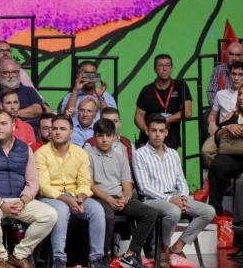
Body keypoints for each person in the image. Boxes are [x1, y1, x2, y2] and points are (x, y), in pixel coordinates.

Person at [0, 110, 57, 268]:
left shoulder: (24, 148)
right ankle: (0, 257)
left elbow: (33, 181)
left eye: (3, 124)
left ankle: (18, 255)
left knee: (49, 215)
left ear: (14, 126)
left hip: (18, 200)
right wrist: (1, 203)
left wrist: (24, 200)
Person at [133, 114, 214, 266]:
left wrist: (183, 197)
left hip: (176, 197)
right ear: (147, 132)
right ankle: (164, 249)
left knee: (208, 211)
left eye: (161, 131)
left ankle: (177, 247)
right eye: (153, 130)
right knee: (174, 211)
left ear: (166, 133)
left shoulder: (173, 154)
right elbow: (144, 187)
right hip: (152, 200)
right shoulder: (140, 154)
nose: (157, 134)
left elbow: (181, 180)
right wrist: (171, 200)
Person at [83, 117, 157, 268]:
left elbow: (127, 184)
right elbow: (90, 185)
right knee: (107, 216)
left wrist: (125, 197)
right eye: (100, 135)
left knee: (150, 213)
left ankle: (130, 254)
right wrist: (109, 199)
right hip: (98, 197)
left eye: (108, 135)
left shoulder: (120, 157)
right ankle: (103, 256)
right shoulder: (87, 154)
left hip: (119, 197)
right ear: (94, 136)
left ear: (114, 137)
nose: (104, 139)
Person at [34, 115, 106, 268]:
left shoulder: (80, 153)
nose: (57, 132)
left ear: (71, 132)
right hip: (50, 197)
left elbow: (85, 181)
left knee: (97, 210)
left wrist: (80, 197)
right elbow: (43, 186)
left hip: (76, 195)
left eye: (62, 129)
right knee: (61, 210)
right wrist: (67, 200)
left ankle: (97, 258)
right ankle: (59, 259)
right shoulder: (41, 153)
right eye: (54, 129)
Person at [133, 55, 192, 149]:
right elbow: (138, 116)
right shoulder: (147, 90)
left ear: (171, 68)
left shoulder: (180, 85)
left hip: (170, 137)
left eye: (168, 65)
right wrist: (148, 131)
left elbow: (187, 112)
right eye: (160, 65)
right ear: (155, 69)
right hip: (148, 140)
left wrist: (165, 120)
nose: (164, 69)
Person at [0, 59, 46, 128]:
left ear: (19, 73)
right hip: (0, 130)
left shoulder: (29, 91)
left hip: (28, 129)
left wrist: (13, 114)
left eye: (14, 72)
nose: (11, 76)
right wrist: (6, 117)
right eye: (6, 73)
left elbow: (38, 109)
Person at [209, 87, 243, 215]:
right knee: (217, 165)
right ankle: (215, 212)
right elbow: (217, 137)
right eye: (240, 94)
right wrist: (227, 127)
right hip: (233, 156)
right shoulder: (233, 115)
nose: (241, 97)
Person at [208, 60, 243, 136]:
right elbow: (212, 115)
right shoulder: (220, 94)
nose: (236, 78)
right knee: (206, 147)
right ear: (229, 75)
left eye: (240, 74)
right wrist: (212, 123)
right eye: (233, 74)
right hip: (224, 133)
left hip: (240, 131)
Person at [208, 41, 243, 107]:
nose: (234, 58)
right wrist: (220, 107)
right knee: (207, 114)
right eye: (231, 54)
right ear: (227, 55)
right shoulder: (218, 70)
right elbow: (211, 93)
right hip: (221, 107)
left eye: (238, 55)